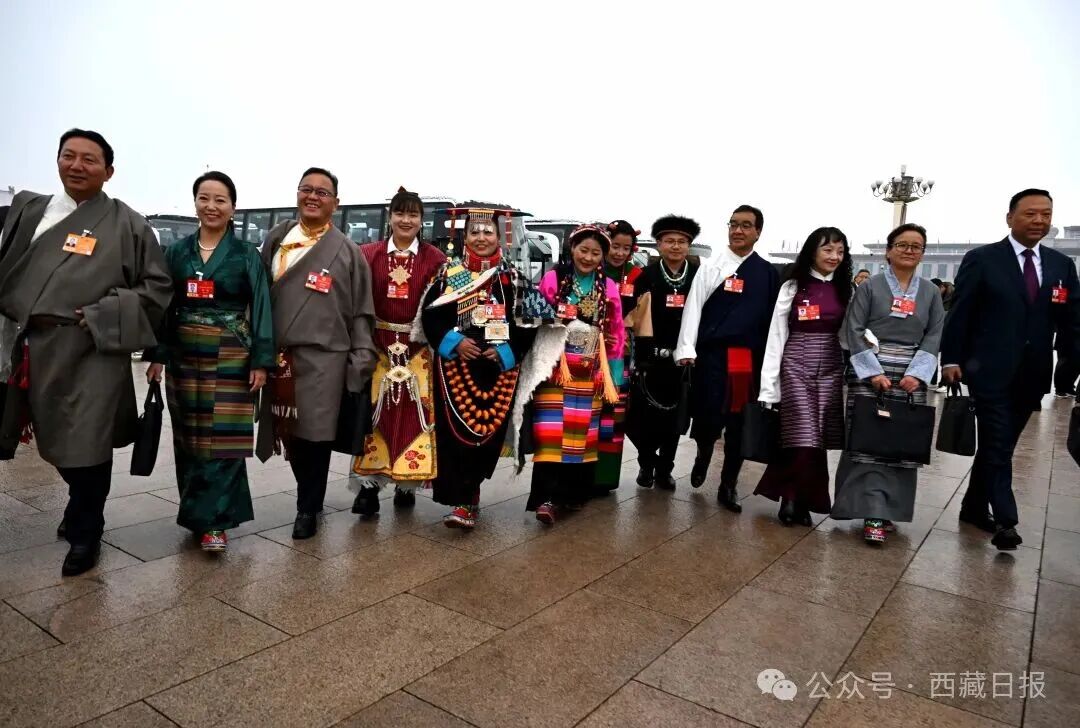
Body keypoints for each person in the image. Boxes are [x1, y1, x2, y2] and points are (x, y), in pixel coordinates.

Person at [0, 129, 172, 575]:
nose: (76, 165)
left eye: (89, 159)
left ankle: (86, 531)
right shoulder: (31, 211)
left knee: (89, 443)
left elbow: (157, 288)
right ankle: (80, 504)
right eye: (68, 156)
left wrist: (105, 314)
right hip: (34, 346)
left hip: (93, 348)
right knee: (54, 442)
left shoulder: (128, 224)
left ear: (108, 171)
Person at [942, 189, 1080, 550]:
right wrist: (951, 359)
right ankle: (1006, 520)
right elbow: (961, 311)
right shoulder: (983, 259)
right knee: (999, 442)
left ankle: (973, 507)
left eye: (1046, 214)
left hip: (1032, 374)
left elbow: (1071, 322)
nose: (1039, 221)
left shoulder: (1060, 266)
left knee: (999, 443)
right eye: (1030, 213)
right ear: (1010, 218)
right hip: (988, 369)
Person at [144, 172, 274, 552]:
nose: (211, 206)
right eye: (204, 198)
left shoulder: (246, 254)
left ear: (233, 207)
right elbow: (164, 306)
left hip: (232, 354)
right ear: (195, 203)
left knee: (225, 441)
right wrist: (157, 355)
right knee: (189, 437)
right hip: (184, 355)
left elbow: (262, 308)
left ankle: (216, 522)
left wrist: (261, 361)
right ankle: (196, 515)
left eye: (220, 200)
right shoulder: (176, 252)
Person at [255, 167, 378, 540]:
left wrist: (361, 358)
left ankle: (307, 507)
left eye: (322, 192)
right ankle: (309, 495)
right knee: (290, 434)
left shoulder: (348, 252)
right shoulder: (277, 239)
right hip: (281, 358)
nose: (312, 196)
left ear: (335, 204)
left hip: (327, 359)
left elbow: (361, 311)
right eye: (306, 189)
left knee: (316, 435)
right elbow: (258, 297)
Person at [419, 208, 537, 528]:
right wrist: (454, 342)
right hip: (456, 366)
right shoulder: (449, 275)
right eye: (474, 232)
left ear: (499, 237)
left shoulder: (514, 278)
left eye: (488, 232)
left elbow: (529, 322)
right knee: (455, 436)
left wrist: (508, 351)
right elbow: (430, 317)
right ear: (464, 236)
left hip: (498, 369)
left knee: (486, 436)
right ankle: (464, 500)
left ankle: (471, 492)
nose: (481, 238)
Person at [832, 224, 945, 543]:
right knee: (867, 440)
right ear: (888, 250)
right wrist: (872, 371)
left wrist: (918, 373)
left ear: (922, 253)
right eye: (902, 244)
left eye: (916, 246)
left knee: (900, 443)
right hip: (871, 372)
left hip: (911, 374)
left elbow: (935, 333)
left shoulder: (930, 292)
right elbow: (853, 329)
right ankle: (871, 511)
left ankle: (887, 510)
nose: (909, 250)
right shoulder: (870, 288)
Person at [517, 224, 625, 524]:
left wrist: (613, 377)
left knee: (582, 437)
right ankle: (546, 499)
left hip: (590, 372)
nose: (588, 258)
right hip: (556, 368)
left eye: (595, 253)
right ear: (572, 249)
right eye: (583, 250)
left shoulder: (609, 287)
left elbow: (616, 332)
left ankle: (572, 495)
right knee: (551, 434)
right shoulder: (554, 279)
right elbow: (534, 317)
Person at [674, 205, 780, 509]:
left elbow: (773, 322)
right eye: (733, 224)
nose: (738, 230)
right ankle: (703, 453)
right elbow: (693, 307)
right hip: (712, 357)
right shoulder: (712, 266)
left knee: (739, 423)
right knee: (708, 416)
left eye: (746, 225)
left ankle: (728, 484)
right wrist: (687, 349)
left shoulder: (767, 273)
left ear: (758, 232)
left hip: (747, 359)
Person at [351, 188, 447, 516]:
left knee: (415, 417)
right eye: (400, 213)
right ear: (390, 217)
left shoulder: (437, 259)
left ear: (421, 220)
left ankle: (407, 485)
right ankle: (368, 488)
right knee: (375, 416)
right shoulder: (367, 254)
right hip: (377, 347)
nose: (406, 220)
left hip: (419, 350)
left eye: (413, 214)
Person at [754, 227, 852, 525]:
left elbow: (851, 330)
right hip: (796, 362)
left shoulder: (846, 288)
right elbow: (776, 334)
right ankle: (790, 498)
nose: (834, 256)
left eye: (840, 251)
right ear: (812, 251)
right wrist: (769, 387)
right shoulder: (793, 286)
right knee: (803, 434)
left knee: (816, 438)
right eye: (828, 250)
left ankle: (803, 499)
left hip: (831, 366)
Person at [628, 214, 702, 491]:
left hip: (683, 359)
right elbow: (636, 317)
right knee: (645, 418)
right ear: (658, 244)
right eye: (669, 241)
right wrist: (643, 355)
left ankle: (665, 469)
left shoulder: (697, 276)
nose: (675, 246)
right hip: (651, 358)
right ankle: (646, 464)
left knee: (674, 419)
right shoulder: (645, 276)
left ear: (689, 245)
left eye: (682, 241)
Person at [595, 219, 643, 494]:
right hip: (590, 353)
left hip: (620, 355)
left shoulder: (637, 276)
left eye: (626, 248)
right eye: (615, 246)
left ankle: (606, 477)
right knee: (591, 414)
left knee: (613, 416)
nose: (619, 253)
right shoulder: (592, 269)